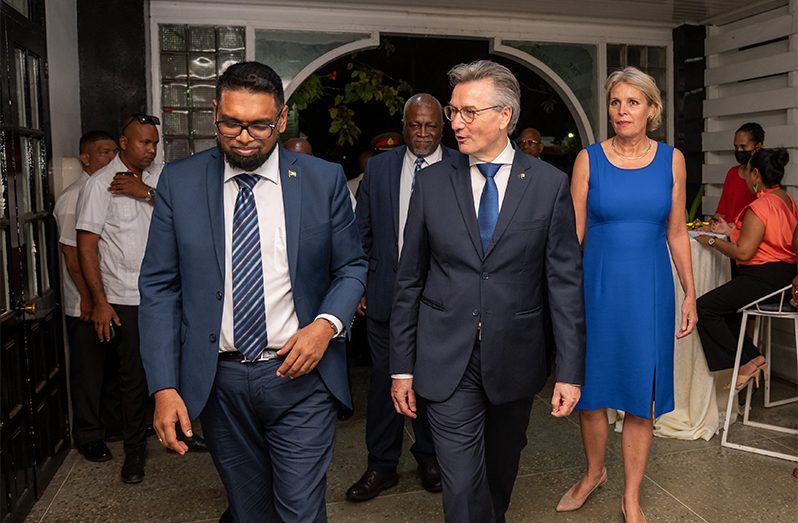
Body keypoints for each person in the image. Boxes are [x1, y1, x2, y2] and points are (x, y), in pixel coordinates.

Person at [138, 61, 367, 522]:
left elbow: (353, 267)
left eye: (260, 124)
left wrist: (325, 327)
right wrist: (164, 386)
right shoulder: (179, 183)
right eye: (231, 123)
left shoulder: (322, 180)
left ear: (281, 119)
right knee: (250, 511)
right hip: (219, 383)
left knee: (300, 511)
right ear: (214, 116)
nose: (245, 136)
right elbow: (160, 288)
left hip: (301, 377)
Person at [390, 60, 585, 523]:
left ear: (504, 115)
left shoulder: (548, 185)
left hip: (515, 356)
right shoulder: (433, 183)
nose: (455, 123)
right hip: (444, 355)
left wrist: (570, 371)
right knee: (459, 481)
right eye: (453, 111)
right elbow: (409, 278)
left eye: (468, 112)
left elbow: (563, 283)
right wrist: (401, 367)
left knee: (499, 473)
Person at [563, 67, 697, 523]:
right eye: (616, 103)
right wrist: (561, 294)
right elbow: (573, 234)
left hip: (651, 290)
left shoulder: (672, 160)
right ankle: (594, 473)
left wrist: (690, 293)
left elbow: (677, 231)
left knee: (644, 394)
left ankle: (632, 494)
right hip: (597, 288)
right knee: (592, 392)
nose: (622, 111)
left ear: (652, 110)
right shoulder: (588, 160)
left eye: (633, 102)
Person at [347, 93, 454, 502]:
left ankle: (429, 457)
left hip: (443, 302)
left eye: (430, 126)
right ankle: (381, 465)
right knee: (384, 382)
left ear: (442, 127)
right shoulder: (379, 169)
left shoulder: (461, 166)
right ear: (404, 125)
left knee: (433, 384)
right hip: (386, 298)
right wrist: (359, 285)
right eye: (415, 125)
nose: (422, 133)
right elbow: (362, 234)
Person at [75, 114, 163, 483]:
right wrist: (100, 301)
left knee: (172, 366)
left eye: (155, 143)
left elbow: (188, 218)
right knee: (132, 377)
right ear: (124, 143)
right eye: (144, 142)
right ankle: (135, 453)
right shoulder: (99, 185)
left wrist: (147, 194)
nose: (151, 149)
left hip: (166, 293)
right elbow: (86, 245)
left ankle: (181, 431)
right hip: (125, 296)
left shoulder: (161, 179)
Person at [695, 149, 796, 390]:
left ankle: (746, 361)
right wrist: (730, 231)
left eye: (748, 172)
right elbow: (770, 237)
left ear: (756, 174)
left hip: (764, 278)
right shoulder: (786, 200)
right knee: (727, 309)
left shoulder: (759, 206)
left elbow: (743, 253)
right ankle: (752, 358)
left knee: (704, 307)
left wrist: (710, 241)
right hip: (786, 277)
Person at [54, 130, 117, 462]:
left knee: (108, 369)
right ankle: (88, 436)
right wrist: (92, 301)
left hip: (106, 300)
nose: (110, 158)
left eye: (113, 152)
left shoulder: (105, 191)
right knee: (88, 373)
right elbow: (73, 257)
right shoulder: (73, 196)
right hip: (85, 305)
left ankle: (112, 425)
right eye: (104, 152)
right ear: (86, 158)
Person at [714, 123, 764, 221]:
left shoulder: (764, 176)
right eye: (736, 147)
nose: (739, 151)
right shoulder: (732, 173)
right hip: (725, 234)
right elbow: (721, 213)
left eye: (743, 146)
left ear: (758, 146)